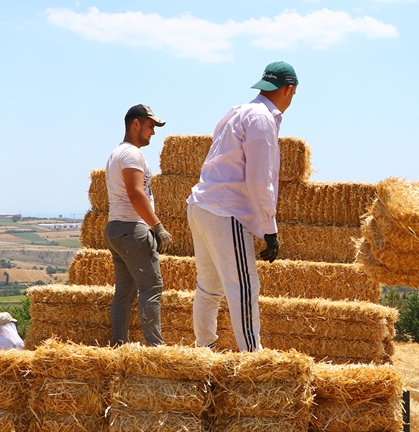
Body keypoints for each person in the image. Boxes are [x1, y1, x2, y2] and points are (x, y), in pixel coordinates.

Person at [185, 61, 298, 352]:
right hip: (226, 211)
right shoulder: (261, 120)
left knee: (209, 287)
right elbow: (259, 180)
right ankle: (253, 359)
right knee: (244, 288)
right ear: (289, 90)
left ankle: (203, 350)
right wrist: (269, 229)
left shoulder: (236, 111)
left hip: (202, 204)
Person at [104, 104, 172, 346]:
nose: (153, 132)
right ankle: (156, 347)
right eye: (150, 126)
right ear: (136, 124)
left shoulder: (116, 153)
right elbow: (135, 193)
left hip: (116, 228)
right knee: (152, 287)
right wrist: (157, 226)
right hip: (132, 229)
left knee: (124, 292)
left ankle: (118, 344)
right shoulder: (132, 154)